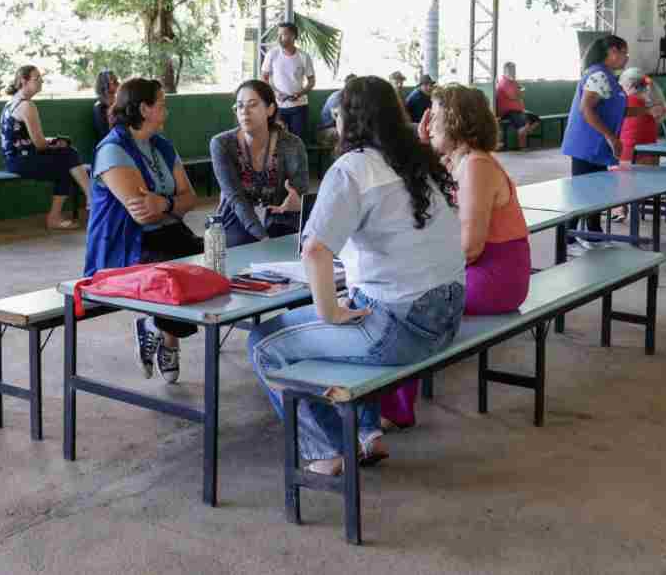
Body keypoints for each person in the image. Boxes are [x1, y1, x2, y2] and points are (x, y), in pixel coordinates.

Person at [247, 76, 465, 475]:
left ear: (349, 119)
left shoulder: (353, 168)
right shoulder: (419, 162)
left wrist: (328, 311)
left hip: (402, 329)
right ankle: (368, 436)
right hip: (447, 318)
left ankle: (327, 450)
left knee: (264, 343)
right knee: (357, 307)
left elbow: (314, 250)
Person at [381, 83, 532, 430]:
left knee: (409, 305)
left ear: (456, 121)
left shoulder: (477, 166)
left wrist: (424, 273)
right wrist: (423, 146)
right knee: (405, 293)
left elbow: (471, 247)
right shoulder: (462, 161)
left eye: (435, 116)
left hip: (496, 276)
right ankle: (390, 402)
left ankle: (393, 407)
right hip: (486, 270)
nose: (429, 123)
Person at [84, 77, 202, 384]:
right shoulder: (113, 149)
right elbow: (143, 216)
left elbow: (191, 199)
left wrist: (164, 203)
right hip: (125, 246)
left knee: (208, 260)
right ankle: (158, 331)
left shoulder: (162, 145)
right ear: (143, 109)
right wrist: (172, 204)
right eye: (161, 103)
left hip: (169, 234)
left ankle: (157, 329)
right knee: (174, 270)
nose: (167, 109)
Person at [210, 80, 309, 248]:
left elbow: (299, 192)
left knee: (296, 246)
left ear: (270, 109)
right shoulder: (222, 144)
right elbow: (236, 199)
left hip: (280, 215)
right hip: (237, 217)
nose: (245, 112)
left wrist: (297, 203)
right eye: (240, 106)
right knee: (242, 245)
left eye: (252, 105)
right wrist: (263, 238)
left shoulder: (292, 144)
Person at [0, 65, 91, 230]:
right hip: (22, 161)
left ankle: (55, 217)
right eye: (37, 79)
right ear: (23, 81)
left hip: (13, 160)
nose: (41, 82)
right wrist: (55, 143)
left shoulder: (11, 103)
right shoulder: (27, 106)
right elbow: (40, 145)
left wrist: (53, 141)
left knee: (66, 167)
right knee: (70, 154)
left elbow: (26, 138)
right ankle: (92, 198)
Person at [561, 35, 629, 249]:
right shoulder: (599, 74)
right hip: (587, 143)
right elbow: (586, 109)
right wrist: (611, 137)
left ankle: (588, 233)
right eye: (624, 52)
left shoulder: (608, 76)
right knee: (582, 190)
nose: (627, 57)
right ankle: (572, 236)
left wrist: (648, 111)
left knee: (593, 189)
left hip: (596, 145)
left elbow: (617, 108)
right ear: (612, 51)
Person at [261, 21, 315, 137]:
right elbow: (264, 78)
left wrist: (300, 93)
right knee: (277, 140)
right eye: (278, 35)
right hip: (277, 106)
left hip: (299, 106)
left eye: (283, 35)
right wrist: (275, 93)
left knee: (298, 140)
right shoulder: (272, 54)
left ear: (293, 36)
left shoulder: (304, 56)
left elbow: (311, 81)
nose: (279, 38)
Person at [617, 67, 666, 165]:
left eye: (621, 85)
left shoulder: (625, 102)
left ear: (628, 85)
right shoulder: (654, 102)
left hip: (629, 158)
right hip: (652, 157)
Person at [494, 62, 540, 145]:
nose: (513, 72)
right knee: (523, 125)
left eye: (514, 70)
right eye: (511, 70)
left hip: (519, 110)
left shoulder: (513, 82)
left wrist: (519, 91)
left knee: (536, 119)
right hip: (508, 112)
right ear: (505, 71)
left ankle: (524, 132)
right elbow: (513, 95)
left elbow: (519, 92)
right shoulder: (504, 82)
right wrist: (520, 92)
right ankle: (523, 147)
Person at [315, 75, 353, 148]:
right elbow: (339, 120)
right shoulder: (336, 97)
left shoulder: (352, 97)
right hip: (325, 131)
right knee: (346, 134)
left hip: (338, 129)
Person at [92, 69, 119, 141]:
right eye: (114, 81)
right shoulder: (99, 107)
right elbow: (104, 133)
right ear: (104, 85)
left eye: (116, 80)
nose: (118, 83)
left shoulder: (119, 102)